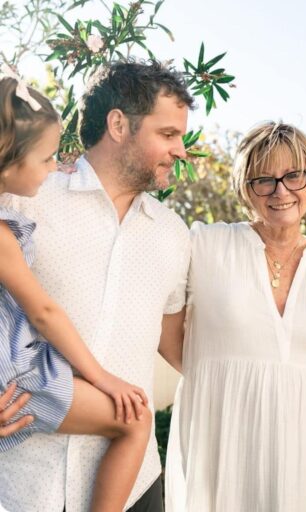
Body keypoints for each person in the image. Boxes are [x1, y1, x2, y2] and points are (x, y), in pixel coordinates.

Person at [0, 59, 193, 512]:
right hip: (21, 483)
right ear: (119, 125)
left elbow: (179, 347)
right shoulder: (25, 197)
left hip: (135, 487)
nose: (181, 150)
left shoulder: (175, 235)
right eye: (168, 134)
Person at [163, 121, 306, 511]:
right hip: (223, 439)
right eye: (264, 180)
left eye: (294, 176)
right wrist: (218, 380)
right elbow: (166, 331)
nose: (280, 191)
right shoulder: (205, 245)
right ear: (245, 188)